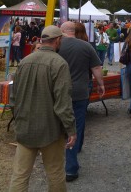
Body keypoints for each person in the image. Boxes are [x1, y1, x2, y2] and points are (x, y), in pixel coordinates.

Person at [9, 25, 76, 192]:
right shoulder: (59, 63)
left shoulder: (25, 61)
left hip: (25, 127)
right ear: (58, 40)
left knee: (20, 175)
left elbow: (13, 97)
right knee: (55, 173)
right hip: (50, 130)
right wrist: (71, 129)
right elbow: (63, 102)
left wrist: (18, 118)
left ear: (43, 40)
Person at [59, 21, 105, 182]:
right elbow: (97, 68)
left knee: (58, 126)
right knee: (76, 126)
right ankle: (70, 168)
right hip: (80, 92)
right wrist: (100, 84)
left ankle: (55, 164)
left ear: (62, 30)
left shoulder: (56, 45)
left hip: (59, 93)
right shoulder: (86, 46)